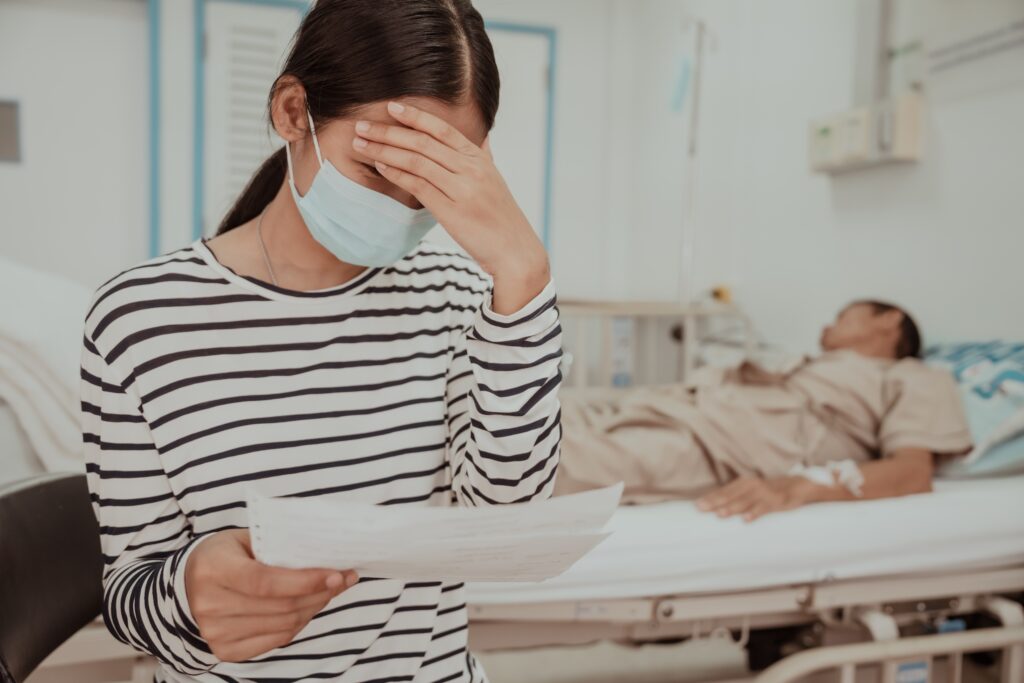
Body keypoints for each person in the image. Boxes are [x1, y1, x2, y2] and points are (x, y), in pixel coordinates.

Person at [80, 2, 561, 681]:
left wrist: (524, 276)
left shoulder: (459, 296)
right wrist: (191, 592)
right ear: (291, 112)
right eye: (379, 172)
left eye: (431, 186)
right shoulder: (139, 318)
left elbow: (507, 523)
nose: (401, 208)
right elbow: (126, 594)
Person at [555, 300, 972, 520]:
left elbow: (913, 472)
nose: (827, 327)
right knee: (529, 411)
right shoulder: (812, 364)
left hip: (714, 446)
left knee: (539, 461)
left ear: (889, 320)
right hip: (666, 408)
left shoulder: (914, 376)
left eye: (841, 317)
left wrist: (802, 485)